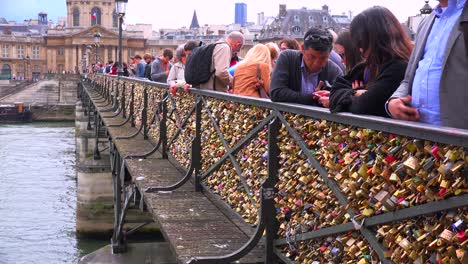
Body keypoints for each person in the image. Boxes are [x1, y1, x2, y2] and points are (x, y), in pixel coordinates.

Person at [387, 0, 468, 129]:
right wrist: (394, 100)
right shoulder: (427, 22)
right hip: (420, 134)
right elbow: (409, 78)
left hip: (458, 136)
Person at [329, 6, 412, 116]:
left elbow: (365, 106)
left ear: (376, 40)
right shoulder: (367, 67)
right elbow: (334, 92)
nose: (360, 49)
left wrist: (348, 98)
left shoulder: (399, 68)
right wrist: (355, 93)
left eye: (361, 42)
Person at [270, 28, 343, 106]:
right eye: (312, 57)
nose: (316, 63)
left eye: (323, 58)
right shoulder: (287, 57)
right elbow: (276, 92)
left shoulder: (335, 71)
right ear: (302, 49)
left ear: (329, 54)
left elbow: (341, 99)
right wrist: (312, 98)